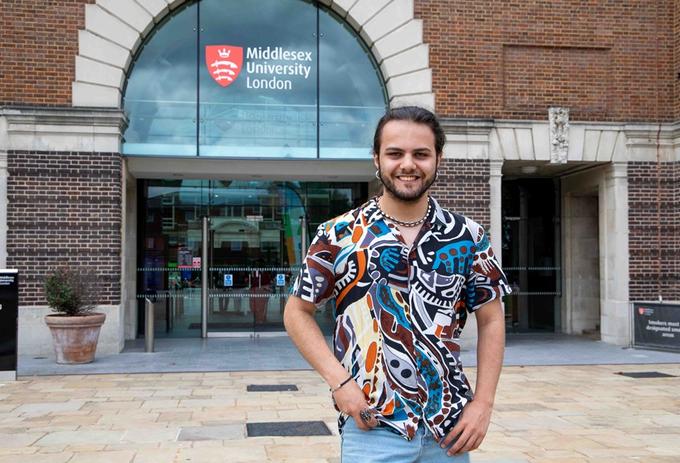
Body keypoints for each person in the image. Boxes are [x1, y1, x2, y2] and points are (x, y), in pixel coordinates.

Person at [284, 106, 511, 462]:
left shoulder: (468, 236)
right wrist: (340, 383)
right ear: (377, 159)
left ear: (438, 158)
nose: (408, 164)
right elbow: (297, 312)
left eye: (421, 153)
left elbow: (492, 319)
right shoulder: (338, 234)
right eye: (395, 153)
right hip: (372, 427)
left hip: (449, 431)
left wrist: (483, 403)